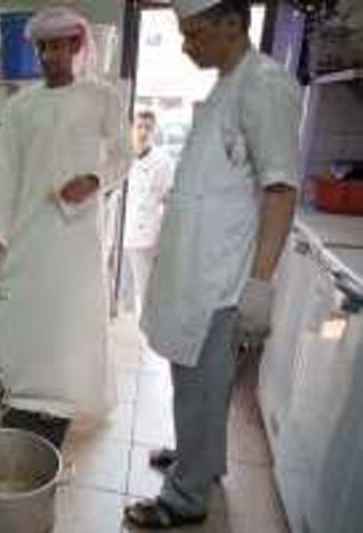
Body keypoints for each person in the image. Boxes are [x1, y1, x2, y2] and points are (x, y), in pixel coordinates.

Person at [124, 0, 302, 528]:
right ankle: (200, 460)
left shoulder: (264, 85)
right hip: (198, 268)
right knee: (195, 379)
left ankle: (185, 499)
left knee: (204, 382)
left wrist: (259, 285)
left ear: (231, 24)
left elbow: (280, 190)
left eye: (194, 33)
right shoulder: (230, 81)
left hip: (223, 277)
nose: (186, 45)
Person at [0, 5, 132, 445]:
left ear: (76, 45)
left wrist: (94, 180)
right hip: (28, 228)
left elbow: (123, 155)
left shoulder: (102, 97)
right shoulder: (21, 106)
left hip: (77, 233)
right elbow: (3, 172)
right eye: (41, 46)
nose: (48, 56)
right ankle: (20, 391)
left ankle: (68, 394)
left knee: (70, 316)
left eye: (57, 46)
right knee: (24, 312)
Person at [123, 110, 174, 318]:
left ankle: (143, 334)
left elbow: (168, 199)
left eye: (148, 128)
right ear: (131, 128)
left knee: (143, 290)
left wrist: (163, 234)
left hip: (145, 235)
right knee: (121, 291)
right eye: (139, 126)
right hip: (120, 233)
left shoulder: (162, 162)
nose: (143, 132)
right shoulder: (123, 157)